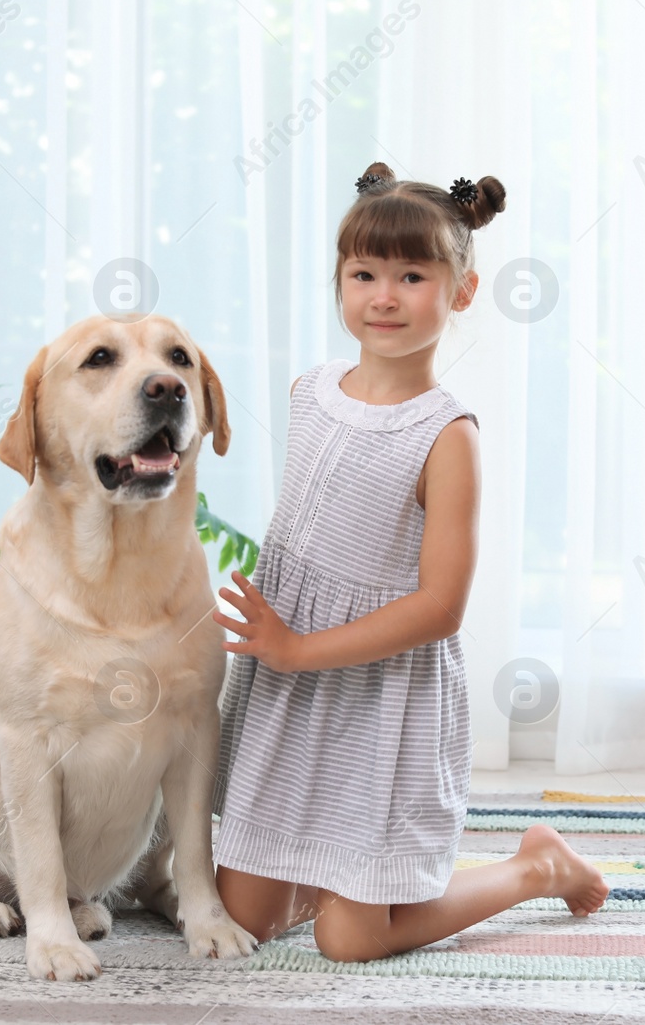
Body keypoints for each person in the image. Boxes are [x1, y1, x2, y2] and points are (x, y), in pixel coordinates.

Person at [208, 161, 609, 965]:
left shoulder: (448, 433)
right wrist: (280, 645)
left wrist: (298, 647)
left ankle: (537, 865)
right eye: (364, 274)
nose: (383, 296)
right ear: (340, 281)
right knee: (241, 920)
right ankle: (331, 869)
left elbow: (439, 607)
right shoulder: (309, 392)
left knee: (349, 941)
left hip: (379, 694)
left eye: (411, 275)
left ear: (460, 290)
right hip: (293, 692)